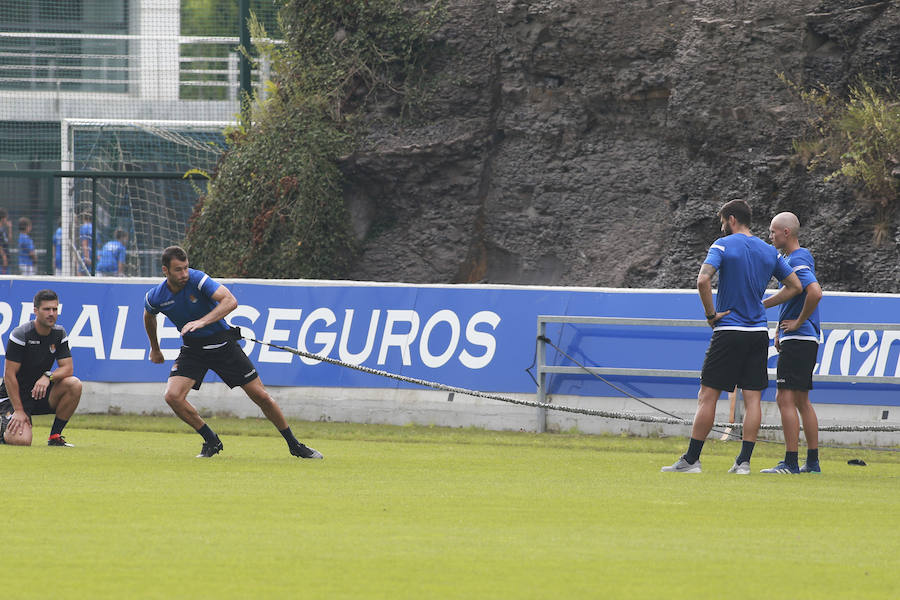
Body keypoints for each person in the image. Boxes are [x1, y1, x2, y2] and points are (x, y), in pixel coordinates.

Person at [142, 245, 323, 459]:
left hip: (223, 345)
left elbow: (230, 301)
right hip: (193, 349)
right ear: (165, 271)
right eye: (178, 270)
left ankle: (295, 445)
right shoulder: (156, 296)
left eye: (186, 268)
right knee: (173, 397)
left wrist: (202, 321)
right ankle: (211, 440)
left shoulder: (197, 279)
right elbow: (149, 316)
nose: (184, 274)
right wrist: (155, 348)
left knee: (261, 396)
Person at [662, 199, 802, 474]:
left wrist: (710, 314)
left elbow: (703, 280)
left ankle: (691, 460)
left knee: (707, 395)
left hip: (729, 330)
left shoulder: (722, 245)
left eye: (723, 221)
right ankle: (743, 463)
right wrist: (762, 305)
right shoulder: (769, 251)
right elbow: (795, 286)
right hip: (757, 332)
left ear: (732, 219)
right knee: (753, 399)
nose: (721, 227)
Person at [760, 212, 822, 474]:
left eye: (773, 232)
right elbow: (793, 298)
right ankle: (812, 463)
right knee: (801, 401)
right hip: (802, 338)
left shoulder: (797, 258)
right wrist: (779, 329)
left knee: (783, 397)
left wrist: (797, 322)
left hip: (799, 338)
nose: (770, 236)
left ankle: (791, 462)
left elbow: (815, 292)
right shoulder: (794, 259)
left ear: (786, 232)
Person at [0, 289, 82, 446]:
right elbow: (9, 375)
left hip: (38, 393)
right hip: (13, 397)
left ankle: (55, 437)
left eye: (55, 309)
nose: (51, 313)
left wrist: (48, 376)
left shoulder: (59, 333)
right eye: (47, 309)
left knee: (74, 384)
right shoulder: (21, 334)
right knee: (22, 441)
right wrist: (19, 410)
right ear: (36, 311)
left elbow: (67, 368)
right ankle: (3, 425)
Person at [0, 208, 10, 275]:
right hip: (2, 262)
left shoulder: (3, 229)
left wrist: (9, 228)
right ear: (3, 218)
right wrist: (4, 258)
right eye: (6, 218)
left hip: (5, 261)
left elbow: (8, 241)